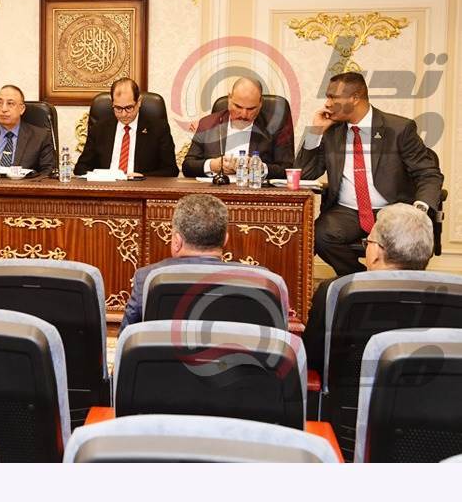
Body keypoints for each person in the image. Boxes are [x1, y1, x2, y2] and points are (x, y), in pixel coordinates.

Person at [295, 71, 443, 276]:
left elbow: (428, 173)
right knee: (319, 235)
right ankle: (359, 279)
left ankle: (391, 283)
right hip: (347, 211)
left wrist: (419, 209)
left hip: (393, 208)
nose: (327, 104)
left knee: (404, 241)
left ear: (355, 98)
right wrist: (315, 132)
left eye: (333, 97)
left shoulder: (399, 128)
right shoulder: (331, 131)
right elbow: (304, 175)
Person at [302, 203, 435, 373]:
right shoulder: (450, 293)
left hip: (351, 390)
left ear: (376, 254)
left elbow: (312, 359)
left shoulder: (333, 292)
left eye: (368, 242)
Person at [120, 194, 264, 332]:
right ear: (225, 240)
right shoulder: (260, 281)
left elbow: (126, 340)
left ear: (177, 242)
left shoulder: (147, 278)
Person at [181, 76, 294, 179]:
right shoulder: (208, 124)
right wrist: (213, 165)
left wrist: (261, 168)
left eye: (251, 109)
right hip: (215, 191)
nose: (244, 115)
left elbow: (287, 169)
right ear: (229, 98)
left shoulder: (275, 126)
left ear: (260, 104)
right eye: (238, 107)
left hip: (255, 192)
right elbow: (188, 166)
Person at [74, 77, 178, 177]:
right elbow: (81, 168)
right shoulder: (99, 129)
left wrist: (142, 177)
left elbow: (171, 170)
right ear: (112, 103)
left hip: (140, 187)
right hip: (107, 186)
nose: (123, 114)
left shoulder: (158, 128)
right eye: (118, 108)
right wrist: (100, 176)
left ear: (139, 102)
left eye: (129, 108)